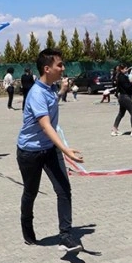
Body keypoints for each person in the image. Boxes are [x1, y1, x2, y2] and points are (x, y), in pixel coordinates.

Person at [16, 48, 84, 252]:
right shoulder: (36, 93)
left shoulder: (50, 88)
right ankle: (27, 230)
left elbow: (53, 104)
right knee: (31, 192)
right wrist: (65, 149)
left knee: (64, 190)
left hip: (49, 149)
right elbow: (46, 125)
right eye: (59, 65)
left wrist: (62, 90)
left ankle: (66, 236)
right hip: (30, 152)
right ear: (47, 68)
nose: (63, 68)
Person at [111, 64, 132, 137]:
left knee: (121, 113)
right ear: (121, 70)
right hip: (124, 97)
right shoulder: (122, 77)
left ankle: (114, 130)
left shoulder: (120, 76)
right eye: (125, 69)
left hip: (122, 97)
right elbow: (127, 87)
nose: (127, 70)